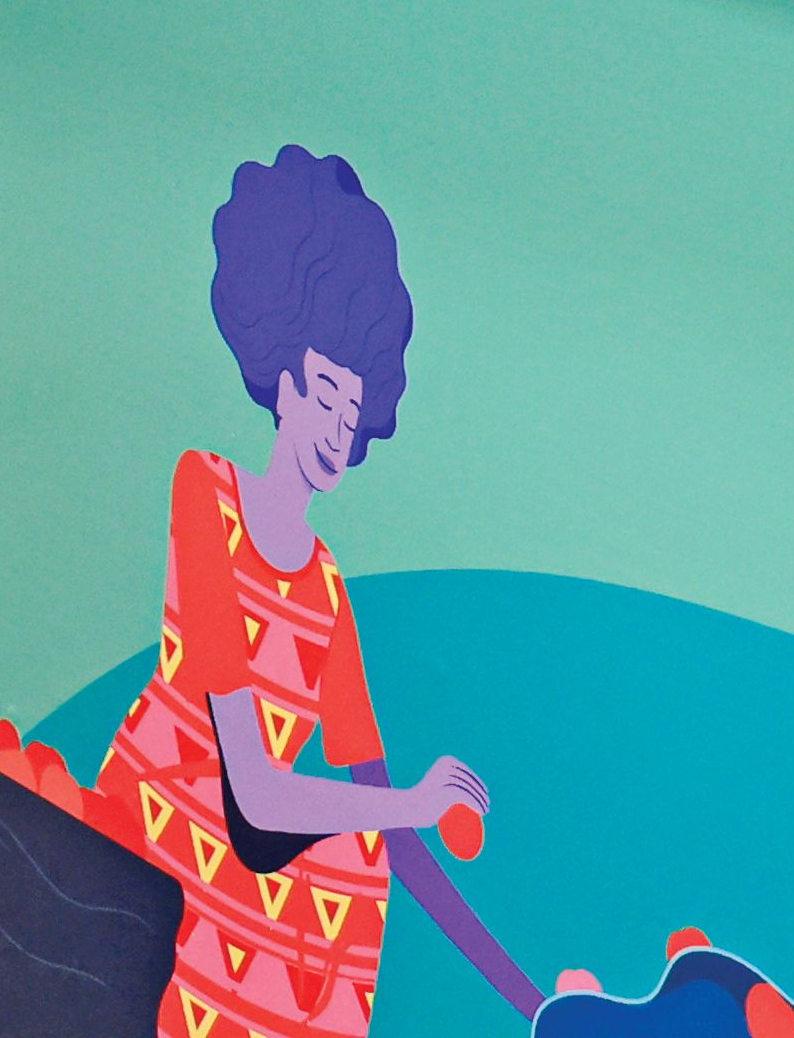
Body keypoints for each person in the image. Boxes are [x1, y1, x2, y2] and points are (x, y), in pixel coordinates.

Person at [80, 149, 488, 1038]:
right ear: (286, 377)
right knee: (347, 849)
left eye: (358, 406)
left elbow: (376, 794)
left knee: (365, 860)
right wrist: (414, 803)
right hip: (169, 827)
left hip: (260, 864)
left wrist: (517, 987)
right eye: (329, 394)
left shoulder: (330, 586)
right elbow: (255, 793)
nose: (341, 428)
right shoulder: (207, 492)